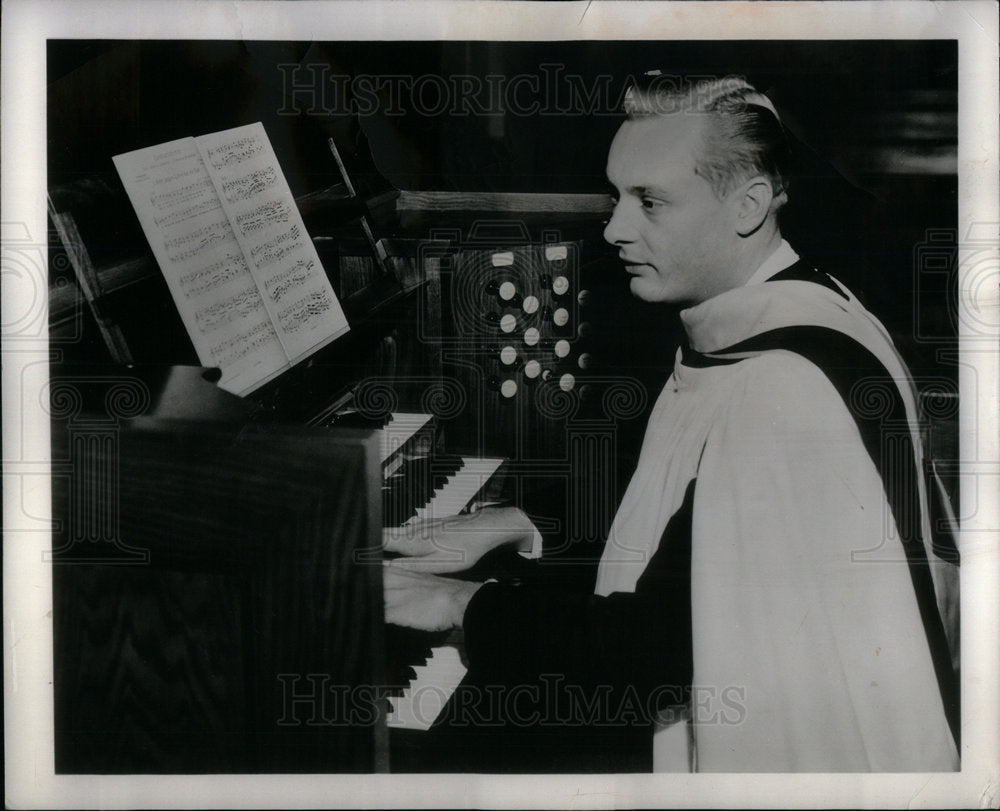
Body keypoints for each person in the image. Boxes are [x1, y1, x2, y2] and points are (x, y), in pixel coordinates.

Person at [383, 76, 959, 772]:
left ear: (747, 206)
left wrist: (462, 603)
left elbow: (650, 656)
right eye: (617, 195)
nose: (614, 227)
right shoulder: (795, 303)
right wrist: (528, 524)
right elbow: (685, 529)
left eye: (650, 202)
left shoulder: (777, 390)